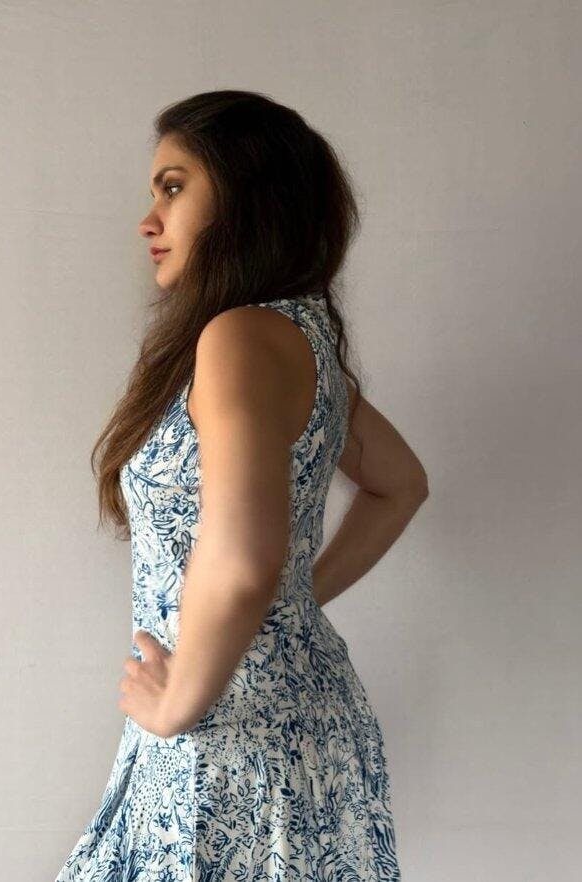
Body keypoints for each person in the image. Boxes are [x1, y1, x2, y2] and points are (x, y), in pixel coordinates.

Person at [55, 89, 428, 881]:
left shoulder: (241, 337)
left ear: (245, 198)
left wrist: (178, 703)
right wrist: (293, 600)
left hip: (226, 733)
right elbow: (401, 485)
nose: (148, 219)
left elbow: (244, 560)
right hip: (277, 715)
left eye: (174, 186)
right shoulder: (295, 339)